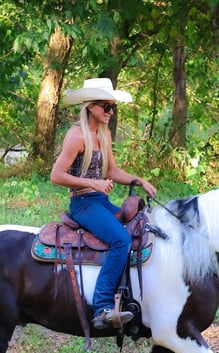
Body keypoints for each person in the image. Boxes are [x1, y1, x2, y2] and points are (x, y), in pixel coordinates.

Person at [50, 78, 157, 330]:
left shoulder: (103, 134)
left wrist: (139, 180)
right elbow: (56, 175)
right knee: (121, 239)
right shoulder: (77, 135)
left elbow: (111, 171)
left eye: (113, 107)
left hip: (100, 201)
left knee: (139, 228)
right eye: (106, 106)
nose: (111, 112)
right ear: (90, 106)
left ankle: (130, 298)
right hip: (83, 203)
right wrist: (92, 183)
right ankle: (102, 307)